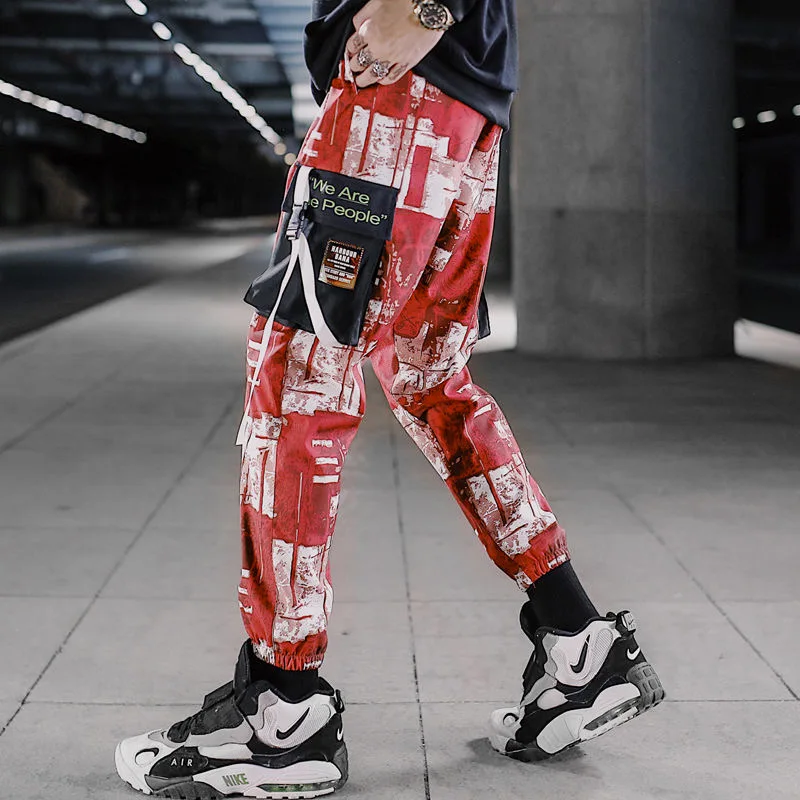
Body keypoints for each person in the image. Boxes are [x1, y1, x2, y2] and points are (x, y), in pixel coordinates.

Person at [115, 1, 664, 796]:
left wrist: (430, 7)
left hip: (398, 89)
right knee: (430, 381)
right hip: (455, 101)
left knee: (297, 384)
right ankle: (579, 638)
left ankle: (284, 710)